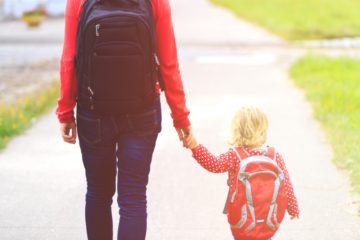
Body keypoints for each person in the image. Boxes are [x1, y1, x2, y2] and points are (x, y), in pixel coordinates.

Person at [56, 0, 193, 239]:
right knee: (133, 197)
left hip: (93, 111)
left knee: (98, 194)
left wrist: (65, 111)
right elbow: (169, 63)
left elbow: (69, 60)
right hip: (142, 111)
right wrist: (180, 117)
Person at [184, 106, 299, 240]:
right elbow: (286, 185)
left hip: (242, 220)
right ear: (262, 130)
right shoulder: (274, 156)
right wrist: (293, 208)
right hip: (269, 218)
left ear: (236, 131)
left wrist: (195, 147)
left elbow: (214, 165)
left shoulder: (235, 156)